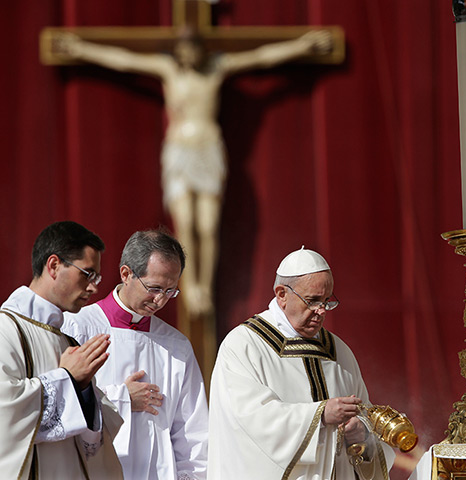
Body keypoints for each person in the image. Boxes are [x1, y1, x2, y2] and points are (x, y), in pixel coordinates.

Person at [53, 29, 333, 316]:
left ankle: (205, 288)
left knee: (208, 224)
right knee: (185, 222)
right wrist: (81, 50)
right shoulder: (167, 70)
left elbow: (261, 58)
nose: (190, 57)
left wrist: (301, 46)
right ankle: (191, 286)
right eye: (184, 51)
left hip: (207, 149)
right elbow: (124, 60)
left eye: (194, 51)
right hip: (180, 151)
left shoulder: (215, 69)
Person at [208, 247, 395, 479]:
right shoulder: (244, 345)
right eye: (312, 301)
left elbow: (364, 413)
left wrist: (362, 434)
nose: (321, 311)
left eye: (327, 301)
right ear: (281, 294)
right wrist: (320, 414)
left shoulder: (339, 352)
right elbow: (249, 422)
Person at [62, 229, 209, 479]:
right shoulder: (77, 327)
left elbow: (193, 434)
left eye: (171, 291)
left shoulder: (176, 345)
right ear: (126, 274)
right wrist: (121, 398)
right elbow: (57, 404)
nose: (161, 300)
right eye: (154, 288)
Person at [0, 220, 123, 479]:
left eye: (97, 277)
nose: (94, 287)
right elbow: (5, 411)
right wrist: (67, 378)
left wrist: (86, 390)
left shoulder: (67, 341)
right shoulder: (6, 329)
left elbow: (91, 440)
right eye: (87, 274)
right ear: (54, 266)